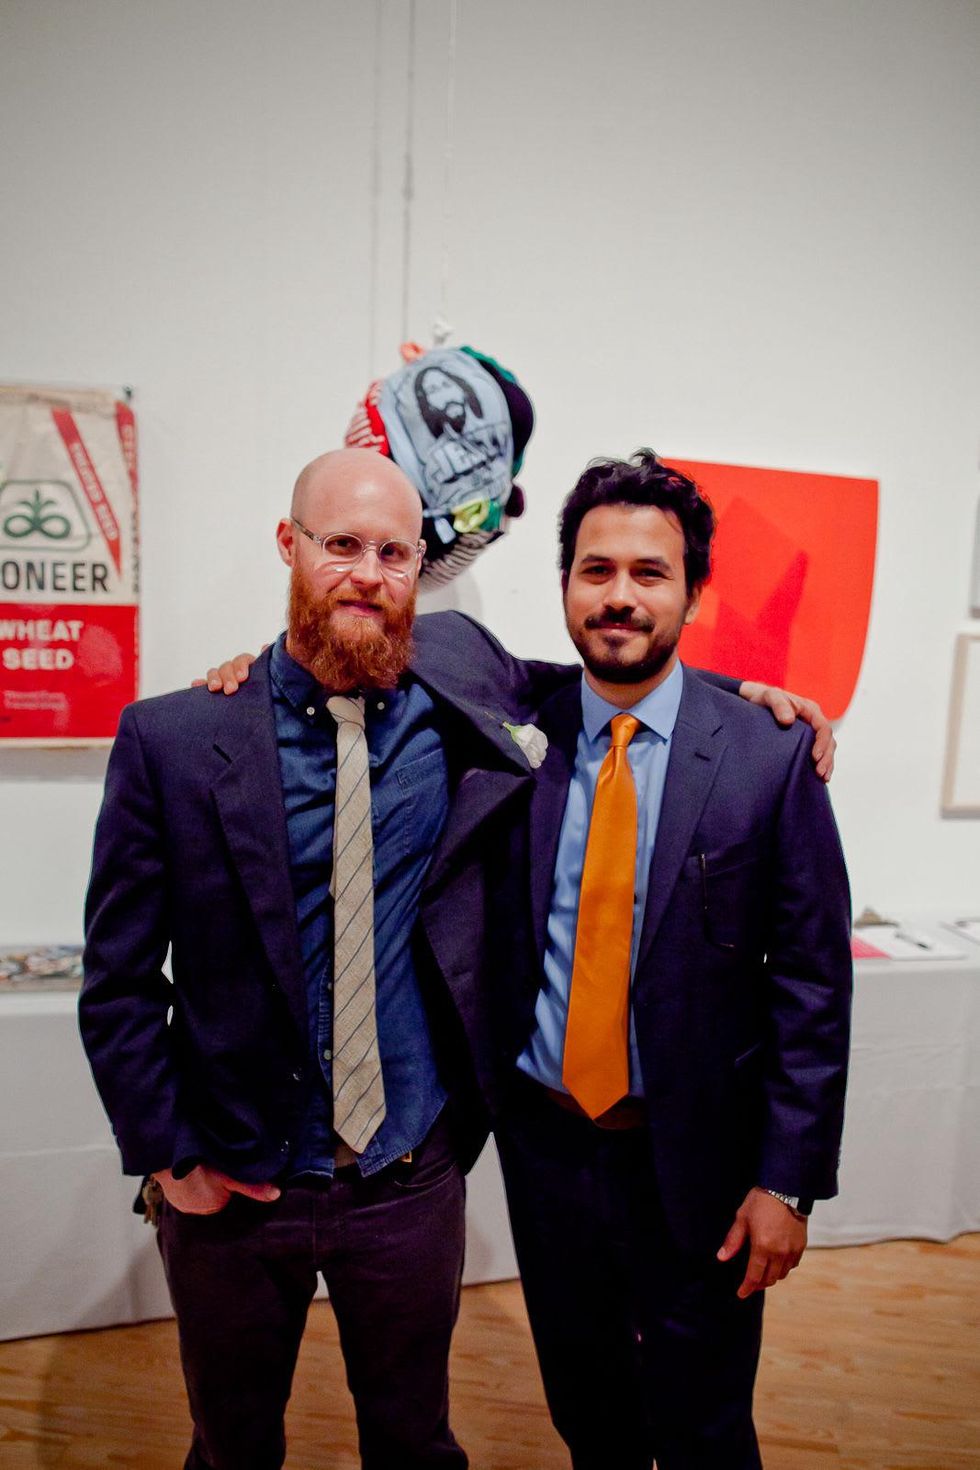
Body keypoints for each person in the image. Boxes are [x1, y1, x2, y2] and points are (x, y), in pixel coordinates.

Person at [84, 447, 834, 1470]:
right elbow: (119, 979)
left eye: (392, 551)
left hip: (452, 1178)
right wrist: (169, 1155)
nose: (365, 572)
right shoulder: (185, 737)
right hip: (264, 1177)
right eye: (339, 544)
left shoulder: (487, 687)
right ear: (287, 547)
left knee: (457, 1439)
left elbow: (804, 983)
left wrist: (753, 700)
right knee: (239, 1444)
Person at [483, 451, 852, 1469]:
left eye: (649, 573)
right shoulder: (514, 727)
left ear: (693, 591)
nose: (618, 596)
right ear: (563, 583)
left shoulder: (766, 757)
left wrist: (787, 1183)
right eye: (594, 570)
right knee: (587, 1413)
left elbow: (813, 986)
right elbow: (412, 642)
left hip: (695, 1164)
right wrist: (249, 667)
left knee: (701, 1426)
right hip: (548, 1152)